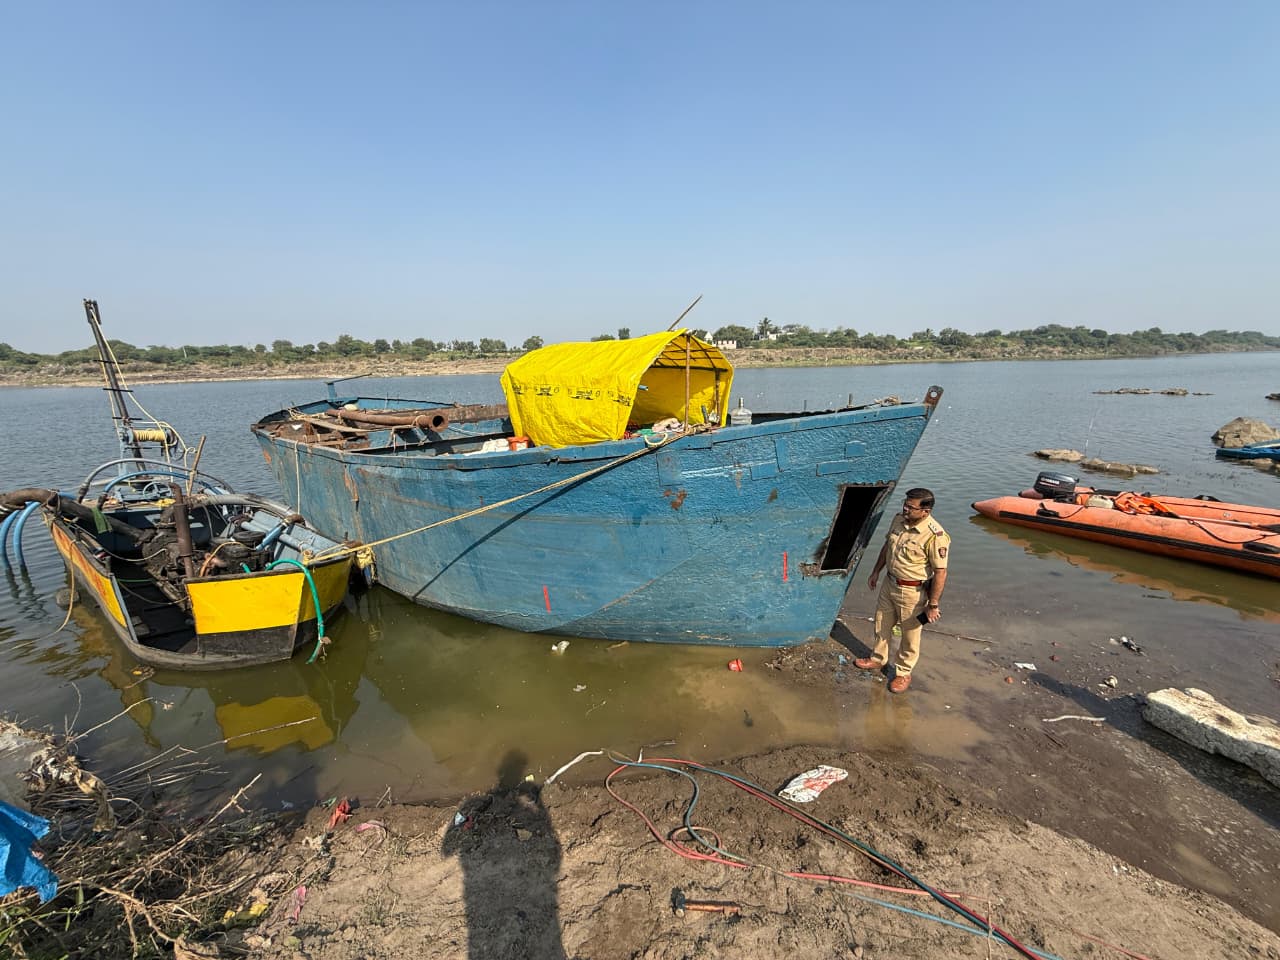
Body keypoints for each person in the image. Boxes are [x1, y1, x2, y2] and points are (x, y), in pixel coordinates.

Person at [855, 487, 950, 693]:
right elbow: (887, 546)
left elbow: (940, 572)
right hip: (889, 583)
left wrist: (933, 605)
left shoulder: (935, 535)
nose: (906, 509)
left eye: (911, 507)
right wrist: (876, 571)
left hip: (912, 593)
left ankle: (903, 673)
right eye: (905, 505)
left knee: (910, 635)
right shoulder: (898, 520)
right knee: (881, 624)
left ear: (926, 511)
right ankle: (878, 659)